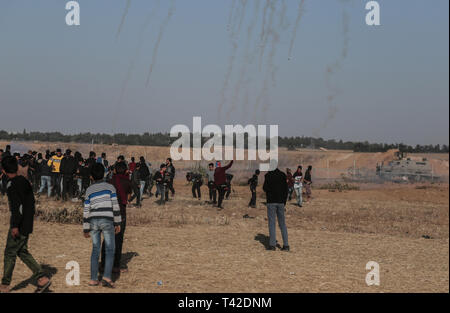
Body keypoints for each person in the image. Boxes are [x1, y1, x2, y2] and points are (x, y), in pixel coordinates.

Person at [0, 156, 52, 293]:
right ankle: (42, 278)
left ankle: (5, 285)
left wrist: (15, 225)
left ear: (3, 171)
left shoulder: (11, 185)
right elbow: (30, 203)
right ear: (17, 168)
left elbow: (17, 207)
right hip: (28, 222)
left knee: (10, 252)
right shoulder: (24, 181)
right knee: (22, 251)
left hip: (20, 224)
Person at [83, 163, 121, 288]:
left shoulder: (89, 190)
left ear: (91, 177)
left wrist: (85, 227)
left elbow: (86, 210)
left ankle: (94, 279)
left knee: (95, 250)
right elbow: (115, 206)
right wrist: (118, 222)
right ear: (104, 174)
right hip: (107, 220)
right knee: (110, 249)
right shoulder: (110, 187)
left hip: (93, 221)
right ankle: (106, 277)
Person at [101, 162, 132, 274]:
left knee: (106, 240)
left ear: (114, 171)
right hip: (120, 214)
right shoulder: (127, 182)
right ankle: (115, 266)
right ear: (125, 171)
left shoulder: (109, 182)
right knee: (118, 240)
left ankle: (103, 264)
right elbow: (128, 197)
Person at [263, 166, 289, 252]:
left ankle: (272, 245)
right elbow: (286, 189)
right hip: (281, 202)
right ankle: (286, 245)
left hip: (271, 202)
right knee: (282, 224)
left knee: (272, 223)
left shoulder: (268, 175)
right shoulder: (282, 175)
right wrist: (284, 201)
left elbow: (265, 188)